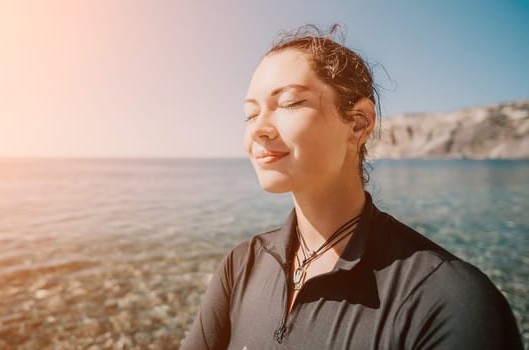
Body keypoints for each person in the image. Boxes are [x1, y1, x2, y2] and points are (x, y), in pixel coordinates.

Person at [180, 25, 522, 349]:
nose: (258, 130)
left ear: (358, 123)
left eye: (289, 103)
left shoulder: (448, 299)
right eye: (250, 114)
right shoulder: (243, 265)